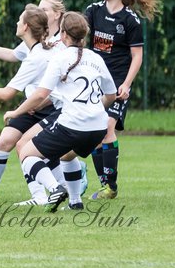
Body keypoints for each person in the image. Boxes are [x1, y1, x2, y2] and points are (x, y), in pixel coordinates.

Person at [6, 12, 117, 212]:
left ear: (64, 34)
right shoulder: (96, 58)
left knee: (27, 153)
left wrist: (15, 113)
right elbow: (111, 95)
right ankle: (75, 202)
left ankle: (55, 189)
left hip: (73, 125)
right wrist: (92, 111)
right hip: (99, 127)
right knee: (66, 156)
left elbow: (40, 95)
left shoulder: (60, 58)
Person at [0, 4, 61, 200]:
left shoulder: (38, 56)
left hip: (50, 107)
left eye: (19, 20)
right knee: (5, 141)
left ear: (25, 27)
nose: (16, 22)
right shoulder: (35, 48)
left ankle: (46, 194)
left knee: (28, 147)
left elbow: (6, 94)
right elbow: (11, 55)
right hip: (33, 105)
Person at [83, 0, 160, 200]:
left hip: (116, 83)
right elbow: (78, 36)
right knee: (93, 131)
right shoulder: (93, 11)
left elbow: (137, 56)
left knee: (107, 127)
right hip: (94, 81)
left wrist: (126, 84)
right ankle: (105, 183)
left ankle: (111, 187)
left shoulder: (130, 20)